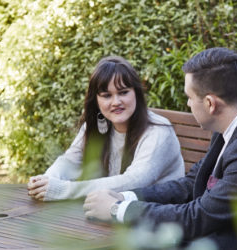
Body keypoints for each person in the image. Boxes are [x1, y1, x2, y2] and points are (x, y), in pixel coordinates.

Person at [82, 48, 237, 249]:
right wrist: (126, 196)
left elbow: (198, 218)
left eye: (189, 97)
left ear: (210, 103)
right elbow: (190, 184)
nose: (187, 103)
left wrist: (118, 210)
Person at [27, 56, 185, 201]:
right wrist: (47, 180)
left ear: (136, 93)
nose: (116, 102)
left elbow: (134, 181)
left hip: (158, 218)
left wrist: (63, 190)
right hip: (113, 212)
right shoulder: (97, 125)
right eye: (106, 95)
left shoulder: (159, 132)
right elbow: (70, 161)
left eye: (123, 92)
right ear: (96, 100)